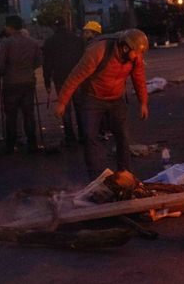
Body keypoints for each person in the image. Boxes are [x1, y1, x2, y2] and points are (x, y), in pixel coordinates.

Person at [54, 29, 149, 179]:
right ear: (125, 48)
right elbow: (75, 77)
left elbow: (139, 78)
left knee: (123, 136)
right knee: (90, 136)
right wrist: (62, 103)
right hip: (93, 98)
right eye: (135, 53)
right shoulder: (98, 52)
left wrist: (143, 102)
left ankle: (125, 174)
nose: (138, 57)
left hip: (116, 98)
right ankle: (96, 179)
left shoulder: (135, 57)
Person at [0, 15, 43, 154]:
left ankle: (10, 144)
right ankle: (32, 143)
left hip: (11, 83)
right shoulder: (32, 42)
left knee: (11, 115)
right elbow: (39, 61)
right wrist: (29, 69)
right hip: (27, 81)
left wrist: (0, 73)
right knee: (29, 113)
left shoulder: (6, 43)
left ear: (10, 27)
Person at [43, 17, 85, 145]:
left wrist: (47, 82)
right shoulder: (78, 40)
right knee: (80, 107)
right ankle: (83, 135)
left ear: (55, 27)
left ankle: (70, 137)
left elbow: (47, 63)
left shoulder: (50, 42)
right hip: (77, 77)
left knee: (65, 108)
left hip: (61, 78)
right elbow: (84, 58)